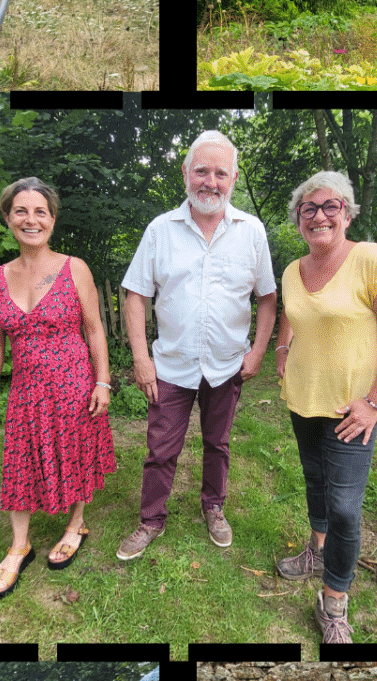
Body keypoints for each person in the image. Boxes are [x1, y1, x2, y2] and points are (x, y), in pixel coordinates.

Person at [116, 130, 277, 561]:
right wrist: (140, 358)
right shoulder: (160, 230)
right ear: (186, 173)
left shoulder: (252, 231)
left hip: (227, 365)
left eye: (220, 173)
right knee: (161, 448)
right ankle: (151, 519)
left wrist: (258, 350)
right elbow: (136, 294)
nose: (210, 181)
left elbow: (267, 297)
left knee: (218, 444)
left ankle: (214, 507)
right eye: (201, 170)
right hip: (171, 365)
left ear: (234, 178)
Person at [272, 170, 377, 644]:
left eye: (330, 206)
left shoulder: (372, 260)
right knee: (315, 481)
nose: (319, 216)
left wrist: (374, 402)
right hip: (303, 398)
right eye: (308, 209)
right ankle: (316, 550)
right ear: (298, 221)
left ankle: (334, 603)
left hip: (354, 413)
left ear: (347, 214)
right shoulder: (293, 270)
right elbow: (293, 315)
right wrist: (282, 349)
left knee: (346, 508)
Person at [0, 177, 117, 596]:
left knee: (75, 453)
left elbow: (95, 330)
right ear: (7, 218)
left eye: (40, 212)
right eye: (21, 211)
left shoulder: (75, 268)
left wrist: (103, 381)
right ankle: (19, 546)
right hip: (26, 391)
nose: (30, 219)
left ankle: (76, 523)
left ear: (52, 220)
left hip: (74, 384)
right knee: (19, 461)